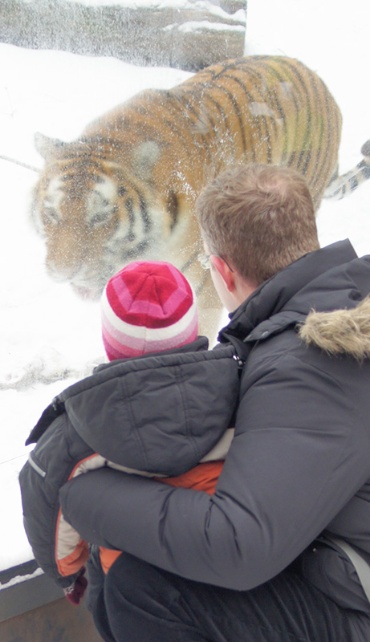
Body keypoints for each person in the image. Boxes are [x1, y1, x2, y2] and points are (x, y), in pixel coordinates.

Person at [58, 163, 370, 642]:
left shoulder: (310, 358)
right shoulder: (343, 303)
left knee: (142, 587)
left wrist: (80, 495)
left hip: (355, 601)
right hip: (341, 562)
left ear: (222, 269)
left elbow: (240, 547)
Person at [19, 261, 235, 617]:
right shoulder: (236, 386)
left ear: (110, 343)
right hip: (234, 557)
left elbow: (41, 492)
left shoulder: (81, 426)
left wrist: (68, 575)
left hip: (136, 591)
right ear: (193, 328)